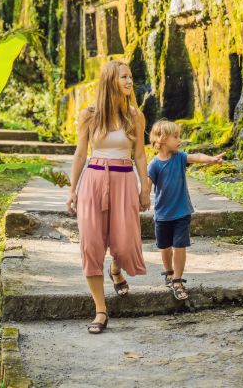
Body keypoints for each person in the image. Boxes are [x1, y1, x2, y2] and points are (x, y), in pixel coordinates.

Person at [66, 61, 150, 334]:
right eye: (123, 77)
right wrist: (72, 189)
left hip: (124, 180)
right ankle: (100, 310)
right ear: (110, 81)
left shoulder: (135, 116)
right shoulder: (89, 115)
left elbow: (139, 154)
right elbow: (80, 154)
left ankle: (116, 269)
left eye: (130, 77)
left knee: (124, 247)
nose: (129, 81)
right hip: (93, 180)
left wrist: (145, 187)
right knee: (91, 246)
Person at [147, 119, 224, 300]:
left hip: (182, 213)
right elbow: (147, 185)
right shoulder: (154, 164)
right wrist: (140, 198)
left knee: (179, 246)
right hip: (163, 214)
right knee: (164, 247)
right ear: (163, 139)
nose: (179, 140)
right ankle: (168, 272)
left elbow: (196, 157)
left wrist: (211, 160)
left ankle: (177, 280)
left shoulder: (180, 157)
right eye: (175, 137)